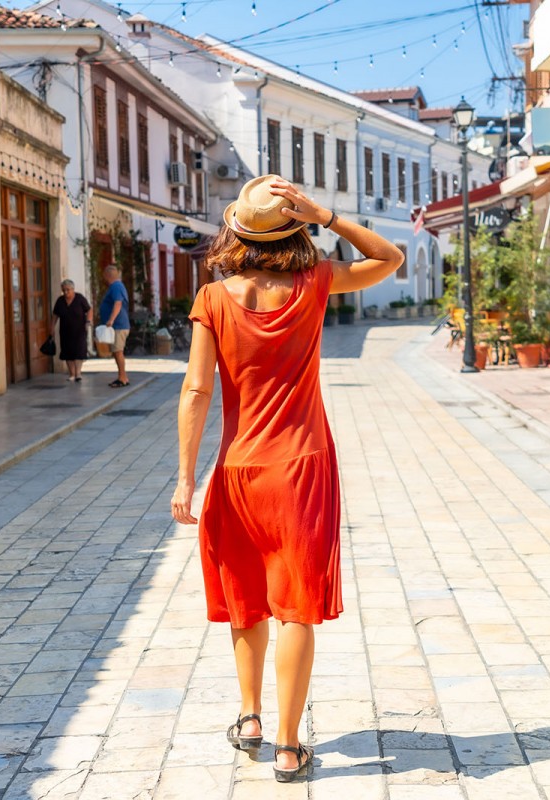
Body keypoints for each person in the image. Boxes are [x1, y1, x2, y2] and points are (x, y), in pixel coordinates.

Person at [171, 175, 403, 783]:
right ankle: (287, 744)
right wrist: (327, 215)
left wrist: (183, 480)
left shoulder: (214, 299)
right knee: (294, 608)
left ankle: (248, 717)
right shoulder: (318, 284)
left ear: (237, 233)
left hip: (237, 471)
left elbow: (196, 390)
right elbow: (390, 257)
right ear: (295, 228)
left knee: (245, 597)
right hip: (301, 468)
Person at [50, 279, 92, 382]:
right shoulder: (60, 301)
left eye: (68, 290)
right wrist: (52, 327)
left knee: (79, 350)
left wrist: (88, 321)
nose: (66, 292)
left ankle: (78, 374)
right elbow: (55, 315)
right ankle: (72, 374)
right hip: (65, 331)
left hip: (79, 330)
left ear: (73, 289)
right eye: (64, 290)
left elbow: (89, 309)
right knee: (67, 351)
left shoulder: (80, 298)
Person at [100, 265, 130, 387]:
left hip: (118, 325)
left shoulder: (116, 286)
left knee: (118, 351)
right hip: (119, 325)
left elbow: (118, 303)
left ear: (108, 275)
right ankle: (122, 377)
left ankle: (122, 378)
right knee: (117, 351)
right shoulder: (117, 286)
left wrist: (111, 320)